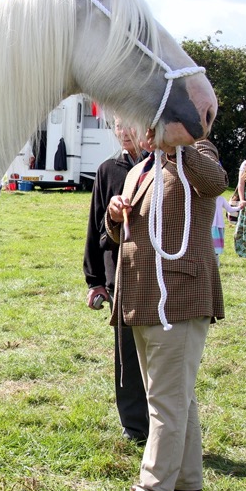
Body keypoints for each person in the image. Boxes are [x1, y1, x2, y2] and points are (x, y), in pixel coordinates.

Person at [104, 133, 228, 491]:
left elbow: (215, 182)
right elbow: (118, 235)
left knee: (165, 401)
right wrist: (114, 214)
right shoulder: (139, 169)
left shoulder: (198, 153)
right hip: (140, 295)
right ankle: (188, 478)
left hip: (179, 294)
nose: (140, 132)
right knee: (176, 396)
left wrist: (179, 146)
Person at [83, 117, 149, 444]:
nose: (123, 133)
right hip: (119, 276)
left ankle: (164, 420)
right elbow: (95, 228)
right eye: (118, 127)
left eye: (129, 126)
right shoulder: (107, 170)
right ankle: (135, 428)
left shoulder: (161, 165)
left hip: (157, 273)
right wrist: (94, 280)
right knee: (127, 357)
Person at [212, 195, 242, 263]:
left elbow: (229, 209)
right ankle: (214, 260)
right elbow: (229, 209)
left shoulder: (221, 198)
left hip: (218, 225)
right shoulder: (207, 197)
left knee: (215, 246)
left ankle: (215, 261)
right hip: (212, 224)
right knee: (212, 245)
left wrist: (240, 207)